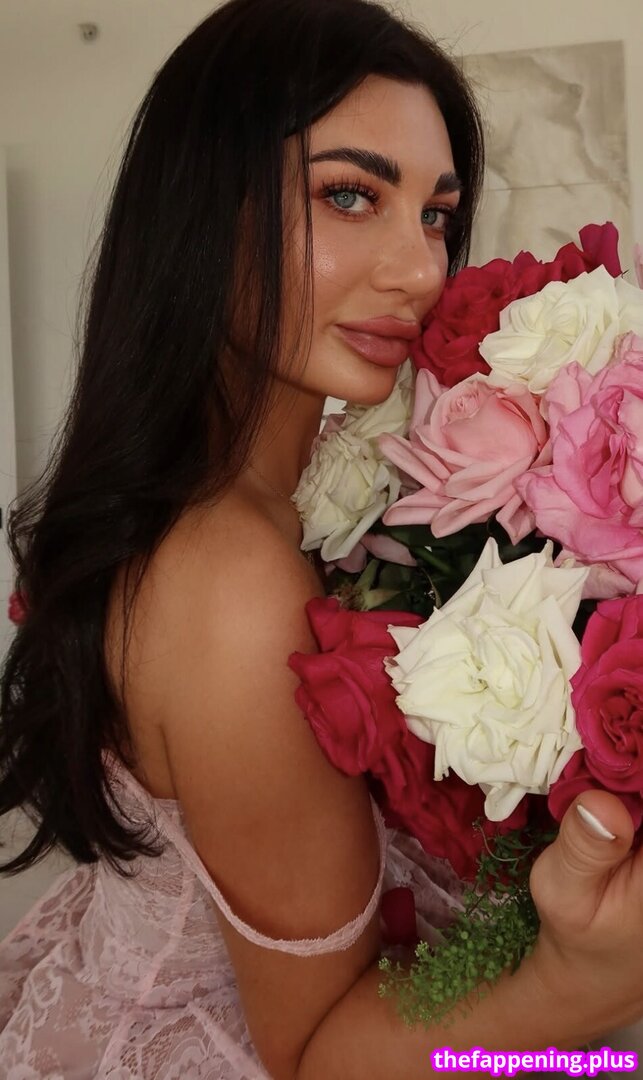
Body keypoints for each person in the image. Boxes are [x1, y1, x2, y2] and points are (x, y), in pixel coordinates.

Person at [0, 0, 642, 1076]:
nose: (421, 268)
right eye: (349, 195)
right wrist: (586, 989)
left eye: (435, 214)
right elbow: (313, 1061)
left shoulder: (278, 503)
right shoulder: (229, 576)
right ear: (200, 209)